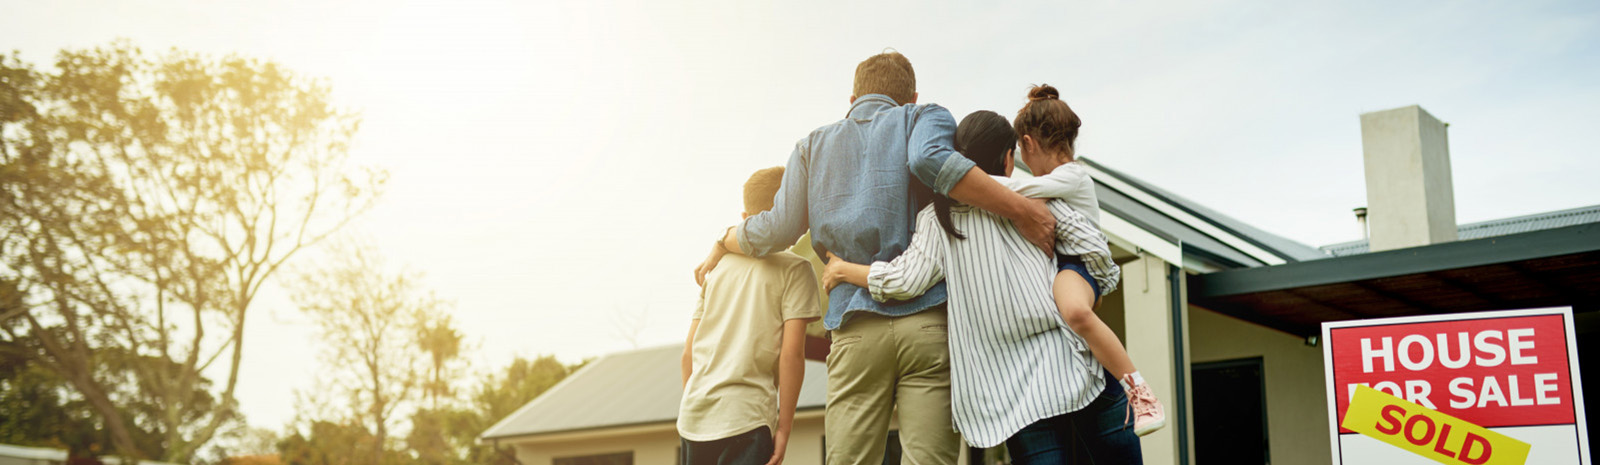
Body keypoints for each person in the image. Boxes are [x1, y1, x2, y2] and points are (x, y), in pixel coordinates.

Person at [692, 51, 1056, 465]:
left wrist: (726, 238)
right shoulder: (923, 117)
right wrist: (1024, 209)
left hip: (856, 325)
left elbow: (776, 228)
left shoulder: (811, 145)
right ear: (912, 96)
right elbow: (927, 159)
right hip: (927, 321)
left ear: (852, 98)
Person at [821, 107, 1143, 463]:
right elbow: (1094, 248)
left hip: (1014, 398)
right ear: (1008, 158)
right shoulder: (1034, 201)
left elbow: (904, 280)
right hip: (1075, 366)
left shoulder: (937, 219)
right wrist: (1091, 288)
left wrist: (842, 269)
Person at [1004, 85, 1166, 436]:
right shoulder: (1060, 179)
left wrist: (965, 179)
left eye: (1021, 151)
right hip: (1064, 269)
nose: (1023, 162)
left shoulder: (1071, 176)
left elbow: (1015, 192)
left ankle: (1141, 393)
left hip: (1079, 267)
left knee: (1075, 311)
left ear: (1028, 144)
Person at [678, 167, 822, 465]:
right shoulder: (796, 269)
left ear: (745, 218)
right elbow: (791, 354)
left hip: (693, 419)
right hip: (747, 418)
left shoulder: (716, 268)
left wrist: (696, 407)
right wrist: (783, 429)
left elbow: (688, 354)